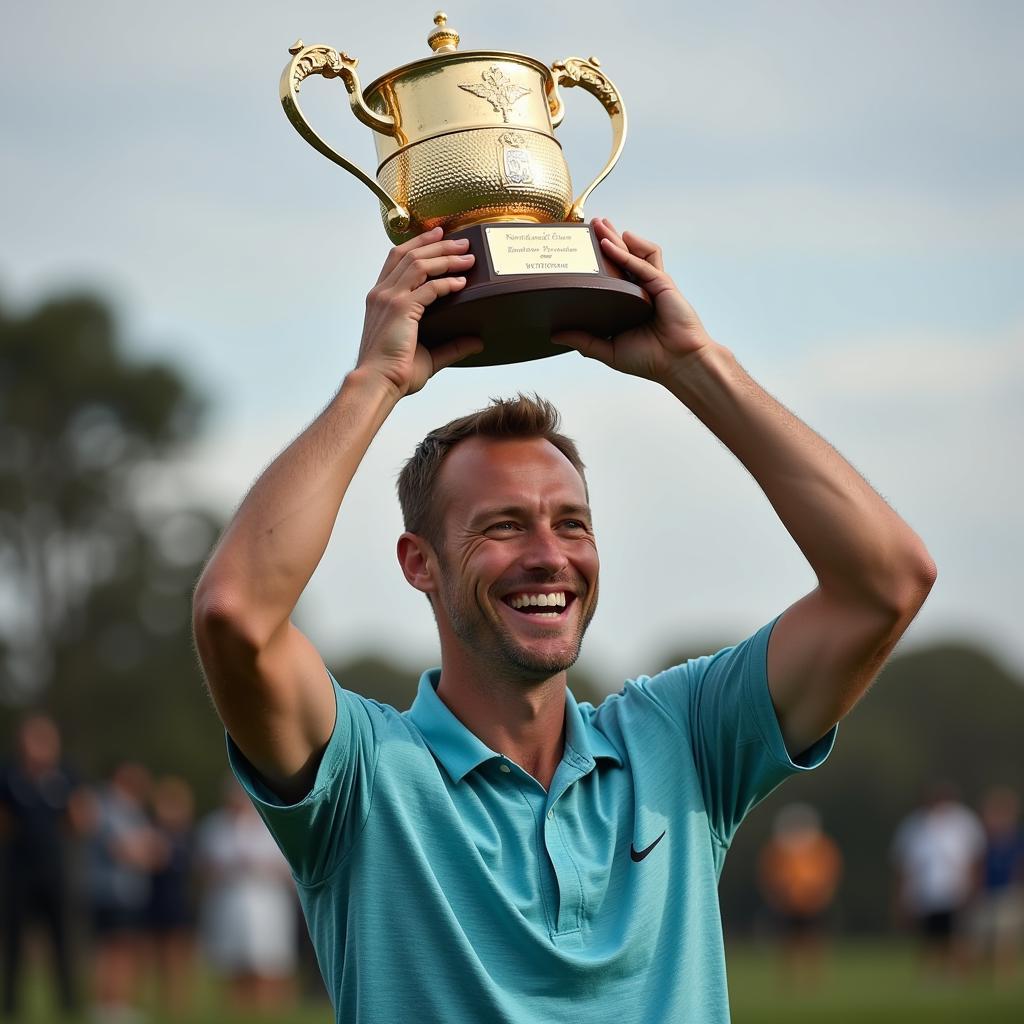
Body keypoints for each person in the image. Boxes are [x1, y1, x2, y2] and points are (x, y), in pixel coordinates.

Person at [193, 219, 937, 1022]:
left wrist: (697, 368)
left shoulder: (680, 741)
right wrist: (374, 380)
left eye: (572, 523)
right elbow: (237, 613)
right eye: (504, 526)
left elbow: (887, 582)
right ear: (419, 564)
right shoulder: (363, 777)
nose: (550, 556)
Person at [0, 715, 84, 1020]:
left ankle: (69, 1003)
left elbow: (79, 821)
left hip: (54, 869)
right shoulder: (10, 775)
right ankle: (10, 1005)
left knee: (62, 938)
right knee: (14, 940)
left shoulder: (64, 776)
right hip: (18, 869)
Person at [196, 777, 297, 1013]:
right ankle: (238, 1010)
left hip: (267, 901)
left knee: (270, 961)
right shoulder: (213, 827)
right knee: (232, 962)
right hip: (228, 901)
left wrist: (260, 866)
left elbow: (289, 867)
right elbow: (202, 869)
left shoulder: (271, 824)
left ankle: (270, 1009)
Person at [891, 781, 985, 975]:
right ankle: (932, 976)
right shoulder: (913, 825)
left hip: (955, 890)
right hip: (925, 893)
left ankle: (957, 975)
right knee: (929, 937)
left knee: (958, 937)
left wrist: (974, 889)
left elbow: (975, 859)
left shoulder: (963, 822)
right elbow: (904, 864)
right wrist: (902, 897)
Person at [757, 802, 843, 987]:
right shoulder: (778, 848)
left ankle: (813, 978)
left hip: (813, 901)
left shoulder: (820, 845)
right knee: (787, 941)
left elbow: (829, 871)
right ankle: (791, 979)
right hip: (787, 902)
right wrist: (777, 896)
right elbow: (770, 874)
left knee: (813, 939)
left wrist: (823, 893)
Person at [969, 785, 1024, 980]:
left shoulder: (1017, 838)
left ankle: (1004, 979)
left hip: (1008, 892)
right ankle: (978, 977)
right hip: (984, 892)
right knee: (979, 940)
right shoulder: (981, 838)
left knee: (1006, 939)